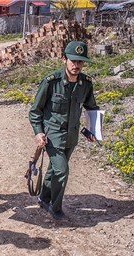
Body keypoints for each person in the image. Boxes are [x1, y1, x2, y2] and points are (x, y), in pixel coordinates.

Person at [29, 41, 99, 220]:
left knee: (54, 169)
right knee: (62, 171)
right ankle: (56, 207)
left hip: (71, 136)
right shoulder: (52, 82)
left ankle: (44, 198)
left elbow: (91, 107)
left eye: (80, 62)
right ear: (64, 59)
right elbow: (35, 110)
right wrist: (38, 132)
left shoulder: (86, 83)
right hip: (52, 136)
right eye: (73, 61)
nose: (76, 65)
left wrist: (93, 131)